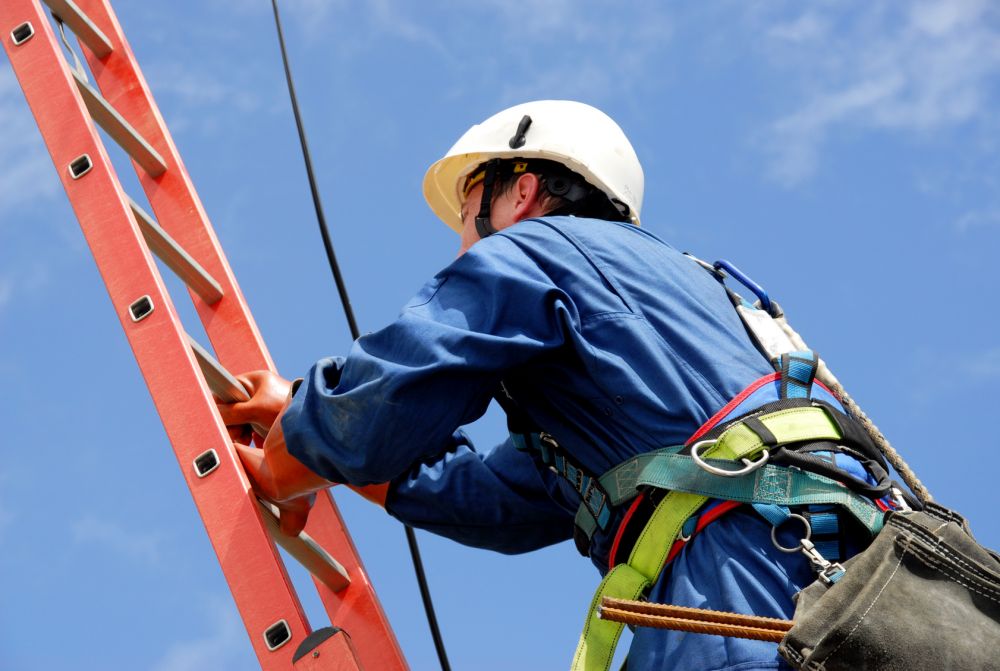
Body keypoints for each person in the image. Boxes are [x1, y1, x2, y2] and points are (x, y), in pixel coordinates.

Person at [219, 100, 894, 670]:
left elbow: (395, 386)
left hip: (742, 593)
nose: (462, 244)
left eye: (466, 209)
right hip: (873, 593)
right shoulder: (677, 313)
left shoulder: (541, 248)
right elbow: (499, 501)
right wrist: (312, 434)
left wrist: (288, 462)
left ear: (522, 190)